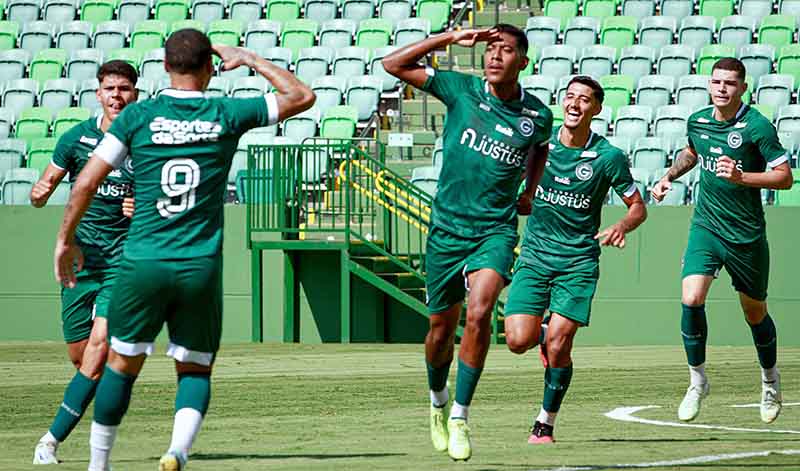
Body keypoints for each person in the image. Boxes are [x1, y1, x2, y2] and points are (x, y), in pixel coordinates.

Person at [53, 29, 314, 471]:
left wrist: (64, 239)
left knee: (120, 363)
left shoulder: (140, 117)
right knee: (194, 369)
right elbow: (300, 95)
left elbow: (86, 181)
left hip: (141, 261)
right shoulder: (227, 112)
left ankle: (99, 464)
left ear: (165, 67)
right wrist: (249, 57)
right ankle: (177, 450)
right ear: (212, 67)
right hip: (198, 265)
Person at [382, 24, 553, 461]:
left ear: (523, 61)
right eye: (491, 49)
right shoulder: (461, 89)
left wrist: (530, 190)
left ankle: (460, 415)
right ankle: (438, 402)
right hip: (446, 231)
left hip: (494, 231)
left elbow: (540, 149)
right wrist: (448, 39)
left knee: (479, 313)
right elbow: (392, 64)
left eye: (506, 50)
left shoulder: (536, 115)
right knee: (441, 329)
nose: (495, 56)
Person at [504, 75, 647, 443]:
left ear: (596, 109)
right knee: (517, 341)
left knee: (560, 344)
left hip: (578, 262)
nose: (575, 104)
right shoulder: (539, 147)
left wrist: (622, 226)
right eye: (570, 97)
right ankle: (541, 335)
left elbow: (638, 208)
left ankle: (545, 422)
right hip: (535, 257)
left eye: (584, 100)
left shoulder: (608, 157)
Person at [651, 57, 792, 424]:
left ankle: (770, 380)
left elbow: (785, 177)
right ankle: (697, 381)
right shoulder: (697, 121)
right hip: (707, 227)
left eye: (730, 83)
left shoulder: (757, 126)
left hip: (746, 235)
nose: (722, 88)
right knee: (691, 296)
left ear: (743, 88)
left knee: (754, 312)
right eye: (716, 82)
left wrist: (742, 177)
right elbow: (693, 153)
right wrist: (669, 176)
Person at [30, 60, 138, 465]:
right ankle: (102, 397)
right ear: (98, 93)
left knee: (99, 348)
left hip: (123, 261)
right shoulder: (76, 139)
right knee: (83, 359)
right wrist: (39, 193)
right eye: (110, 88)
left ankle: (50, 440)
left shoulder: (143, 144)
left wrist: (141, 206)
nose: (117, 96)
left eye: (124, 88)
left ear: (135, 93)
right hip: (79, 261)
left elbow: (166, 201)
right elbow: (43, 188)